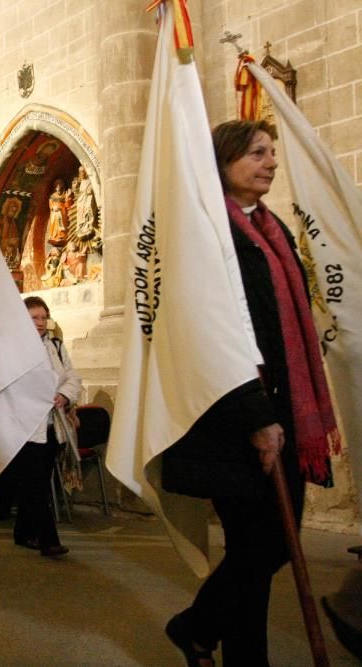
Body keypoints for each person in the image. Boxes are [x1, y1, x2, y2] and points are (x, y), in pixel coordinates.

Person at [161, 120, 340, 666]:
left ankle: (195, 627)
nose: (271, 162)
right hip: (232, 416)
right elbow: (213, 331)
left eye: (272, 153)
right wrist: (256, 416)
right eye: (258, 153)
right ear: (223, 160)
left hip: (279, 410)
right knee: (257, 545)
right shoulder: (207, 232)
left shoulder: (271, 229)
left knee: (269, 547)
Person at [12, 296, 81, 558]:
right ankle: (48, 540)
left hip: (54, 424)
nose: (40, 323)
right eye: (34, 318)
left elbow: (73, 376)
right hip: (27, 426)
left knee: (37, 481)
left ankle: (22, 531)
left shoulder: (56, 345)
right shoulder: (14, 348)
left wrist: (64, 395)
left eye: (43, 317)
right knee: (37, 485)